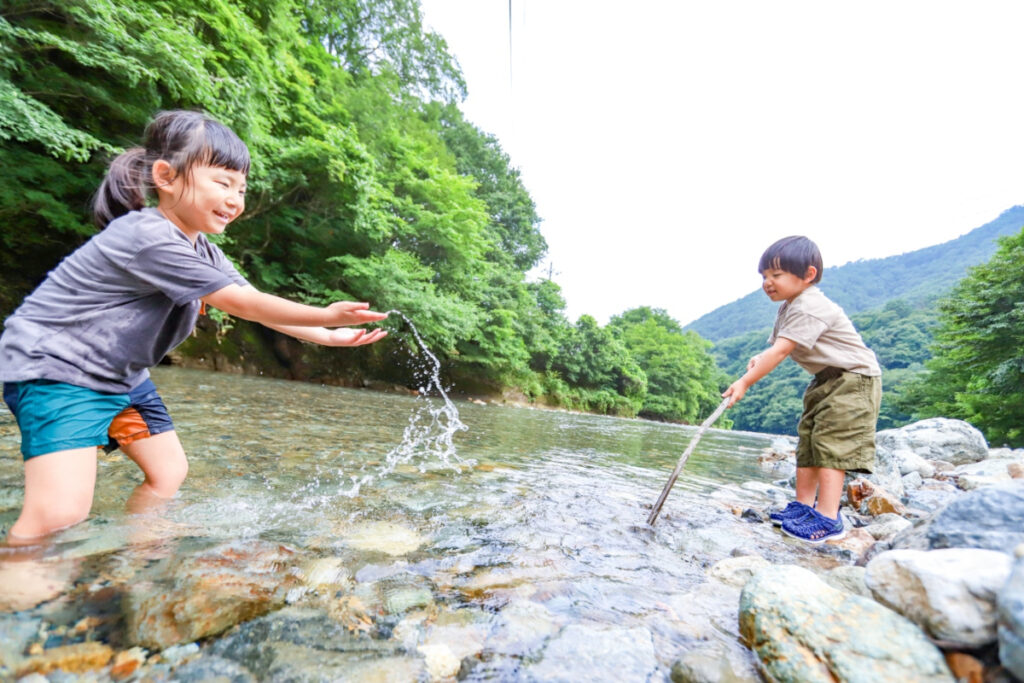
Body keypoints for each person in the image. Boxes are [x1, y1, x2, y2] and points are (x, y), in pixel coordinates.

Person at [0, 110, 389, 543]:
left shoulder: (202, 249)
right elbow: (243, 302)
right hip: (57, 368)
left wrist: (329, 336)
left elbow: (255, 307)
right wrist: (325, 315)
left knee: (168, 472)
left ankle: (138, 554)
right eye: (222, 183)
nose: (236, 199)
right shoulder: (147, 235)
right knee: (58, 514)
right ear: (166, 177)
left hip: (119, 376)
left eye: (242, 189)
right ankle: (19, 597)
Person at [722, 236, 881, 544]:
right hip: (825, 379)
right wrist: (758, 359)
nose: (767, 282)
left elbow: (781, 352)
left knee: (831, 444)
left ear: (808, 275)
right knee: (808, 441)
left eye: (776, 275)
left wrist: (745, 382)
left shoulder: (810, 305)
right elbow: (777, 348)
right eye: (764, 276)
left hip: (854, 379)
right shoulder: (789, 307)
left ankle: (827, 517)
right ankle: (803, 507)